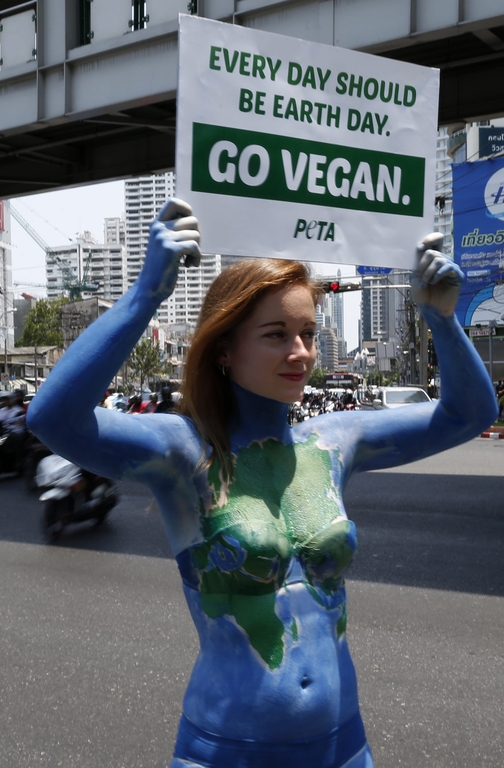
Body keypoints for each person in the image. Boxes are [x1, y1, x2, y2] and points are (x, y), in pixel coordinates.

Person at [26, 199, 497, 768]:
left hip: (343, 747)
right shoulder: (184, 451)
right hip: (225, 752)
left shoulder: (333, 440)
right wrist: (145, 294)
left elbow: (466, 416)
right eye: (276, 335)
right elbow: (53, 419)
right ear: (224, 348)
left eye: (308, 333)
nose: (300, 353)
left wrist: (443, 320)